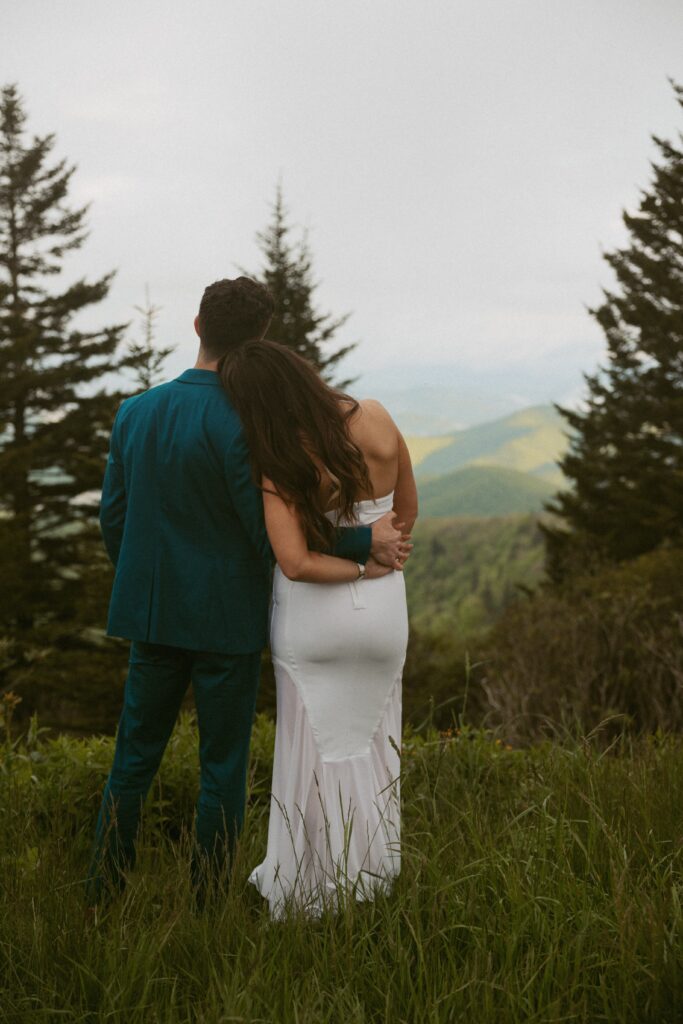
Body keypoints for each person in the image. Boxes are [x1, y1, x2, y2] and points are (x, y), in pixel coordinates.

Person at [86, 277, 408, 907]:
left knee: (132, 761)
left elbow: (114, 521)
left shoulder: (135, 412)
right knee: (222, 768)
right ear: (259, 339)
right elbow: (270, 536)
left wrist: (149, 583)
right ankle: (208, 902)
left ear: (199, 325)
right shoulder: (252, 425)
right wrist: (360, 544)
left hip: (152, 614)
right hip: (227, 620)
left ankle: (101, 890)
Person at [220, 339, 418, 917]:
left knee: (313, 745)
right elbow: (405, 511)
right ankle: (373, 875)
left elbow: (296, 561)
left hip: (314, 615)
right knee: (374, 738)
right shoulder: (378, 417)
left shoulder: (280, 457)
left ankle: (307, 884)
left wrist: (355, 562)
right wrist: (382, 559)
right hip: (385, 609)